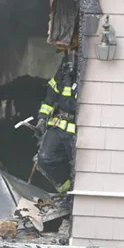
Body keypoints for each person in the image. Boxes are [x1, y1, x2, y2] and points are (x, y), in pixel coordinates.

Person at [34, 51, 78, 194]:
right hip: (59, 126)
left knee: (77, 168)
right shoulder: (65, 66)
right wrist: (42, 118)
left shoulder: (89, 71)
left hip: (78, 130)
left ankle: (73, 196)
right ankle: (65, 191)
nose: (72, 53)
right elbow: (51, 95)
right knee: (44, 159)